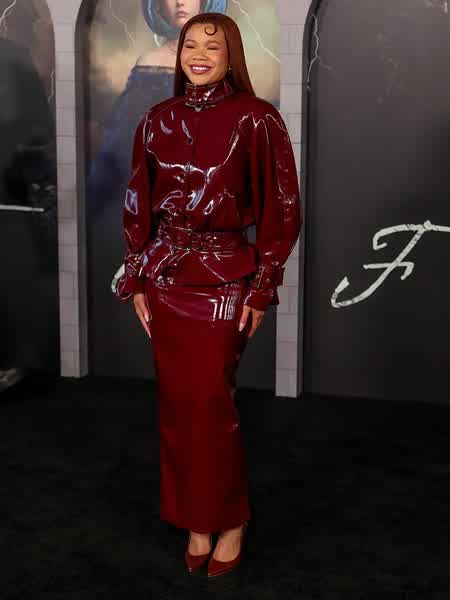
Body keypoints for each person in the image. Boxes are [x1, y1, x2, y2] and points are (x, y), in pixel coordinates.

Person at [115, 12, 303, 577]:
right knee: (177, 408)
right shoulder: (156, 119)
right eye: (189, 45)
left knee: (210, 406)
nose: (198, 54)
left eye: (211, 46)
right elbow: (137, 202)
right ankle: (196, 521)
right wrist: (137, 276)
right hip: (165, 279)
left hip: (223, 279)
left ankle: (231, 519)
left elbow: (282, 210)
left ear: (231, 56)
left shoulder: (257, 118)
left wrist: (261, 289)